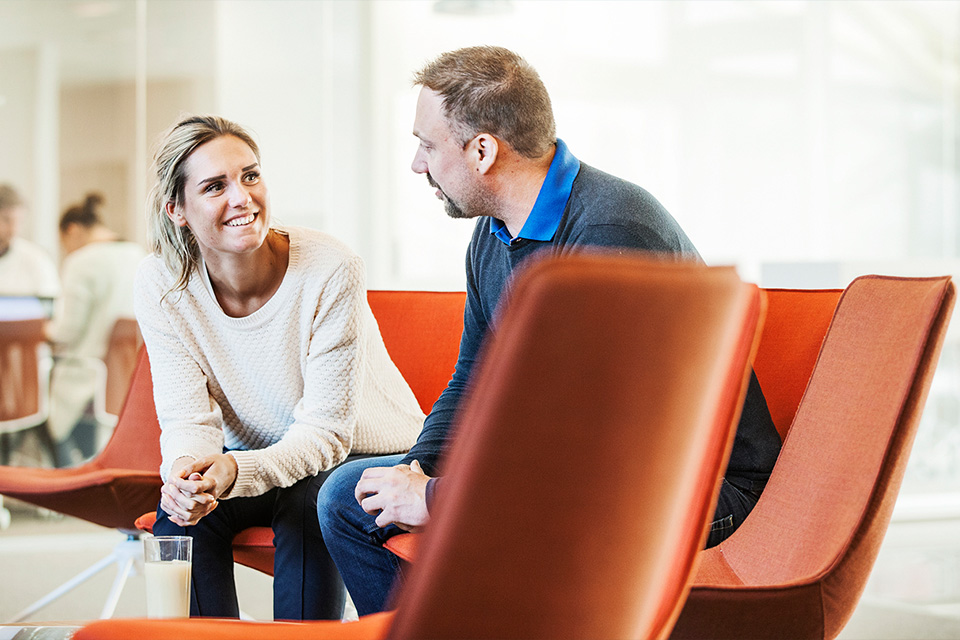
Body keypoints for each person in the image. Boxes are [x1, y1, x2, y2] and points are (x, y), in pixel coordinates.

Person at [317, 45, 783, 615]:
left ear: (482, 150)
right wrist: (416, 472)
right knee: (349, 497)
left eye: (428, 145)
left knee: (543, 517)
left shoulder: (613, 232)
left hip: (692, 485)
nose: (418, 164)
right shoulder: (493, 234)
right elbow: (472, 379)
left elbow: (599, 441)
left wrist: (439, 497)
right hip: (586, 474)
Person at [136, 114, 425, 620]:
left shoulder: (330, 267)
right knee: (182, 516)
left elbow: (325, 435)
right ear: (177, 209)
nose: (242, 197)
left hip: (359, 452)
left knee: (306, 503)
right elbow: (187, 419)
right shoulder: (160, 282)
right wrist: (187, 476)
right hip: (260, 456)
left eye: (250, 176)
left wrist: (235, 470)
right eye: (215, 186)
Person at [46, 193, 146, 465]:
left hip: (88, 376)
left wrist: (45, 329)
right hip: (128, 378)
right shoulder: (137, 254)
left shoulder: (81, 262)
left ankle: (66, 477)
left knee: (49, 420)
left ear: (72, 231)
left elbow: (67, 332)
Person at [0, 184, 59, 299]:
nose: (14, 229)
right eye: (6, 220)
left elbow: (51, 303)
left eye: (19, 221)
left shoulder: (36, 259)